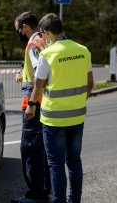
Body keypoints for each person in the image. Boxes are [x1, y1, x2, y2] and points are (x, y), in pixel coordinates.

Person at [25, 13, 94, 203]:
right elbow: (90, 84)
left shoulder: (48, 54)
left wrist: (31, 105)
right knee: (74, 160)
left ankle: (59, 201)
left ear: (47, 33)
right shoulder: (83, 50)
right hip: (77, 116)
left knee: (55, 164)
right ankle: (75, 200)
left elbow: (38, 86)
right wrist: (77, 102)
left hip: (53, 118)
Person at [11, 11, 51, 203]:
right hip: (47, 104)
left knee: (30, 149)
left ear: (25, 27)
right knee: (43, 150)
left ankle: (36, 196)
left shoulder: (33, 45)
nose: (18, 33)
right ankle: (46, 190)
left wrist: (32, 104)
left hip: (34, 106)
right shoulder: (46, 40)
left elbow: (39, 75)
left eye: (18, 29)